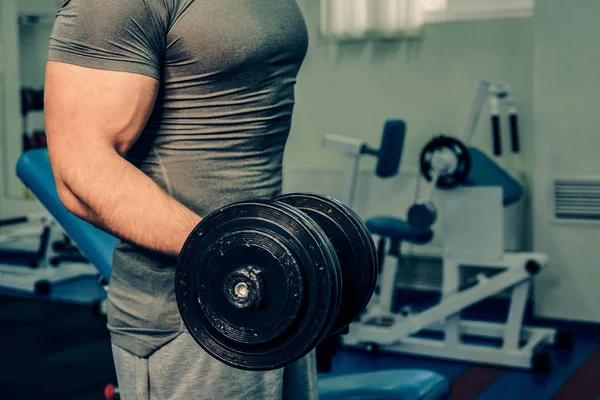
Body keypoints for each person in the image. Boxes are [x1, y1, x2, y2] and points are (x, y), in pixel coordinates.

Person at [44, 0, 313, 398]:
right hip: (189, 315)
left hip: (275, 288)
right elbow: (83, 170)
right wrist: (232, 255)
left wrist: (271, 261)